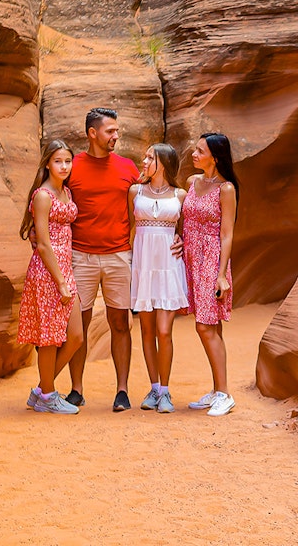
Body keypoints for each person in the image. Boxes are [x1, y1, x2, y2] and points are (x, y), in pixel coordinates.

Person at [67, 108, 142, 412]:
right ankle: (76, 389)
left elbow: (145, 208)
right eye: (110, 131)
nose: (116, 136)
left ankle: (122, 390)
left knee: (120, 323)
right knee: (80, 324)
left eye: (117, 131)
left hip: (118, 255)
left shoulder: (128, 167)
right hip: (80, 256)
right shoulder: (71, 167)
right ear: (92, 133)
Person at [17, 140, 84, 414]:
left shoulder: (65, 191)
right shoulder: (43, 195)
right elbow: (43, 243)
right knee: (49, 337)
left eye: (68, 161)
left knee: (76, 336)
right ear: (47, 163)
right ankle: (48, 394)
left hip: (64, 269)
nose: (64, 166)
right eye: (58, 161)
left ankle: (42, 390)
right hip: (48, 272)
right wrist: (60, 281)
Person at [127, 144, 190, 414]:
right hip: (143, 265)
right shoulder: (135, 191)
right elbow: (130, 228)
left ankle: (165, 391)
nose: (144, 161)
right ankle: (153, 388)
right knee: (146, 330)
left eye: (150, 157)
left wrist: (182, 241)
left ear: (163, 163)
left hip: (168, 266)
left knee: (164, 331)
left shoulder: (181, 195)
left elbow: (188, 230)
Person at [181, 132, 239, 417]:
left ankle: (225, 394)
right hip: (191, 257)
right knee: (212, 327)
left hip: (212, 259)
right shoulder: (193, 182)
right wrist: (182, 239)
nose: (193, 153)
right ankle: (218, 390)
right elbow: (187, 220)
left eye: (199, 150)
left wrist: (221, 275)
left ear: (215, 158)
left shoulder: (226, 189)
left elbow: (227, 234)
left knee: (204, 326)